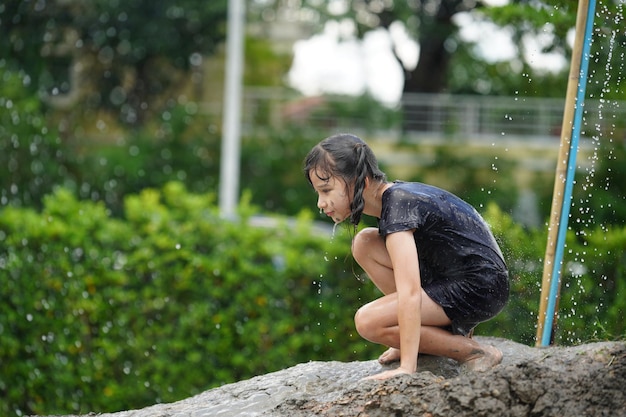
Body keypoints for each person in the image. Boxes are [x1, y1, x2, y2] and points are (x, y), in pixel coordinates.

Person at [303, 133, 509, 381]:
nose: (320, 203)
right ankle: (426, 336)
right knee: (364, 243)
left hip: (480, 286)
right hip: (458, 278)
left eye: (326, 190)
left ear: (361, 182)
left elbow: (410, 292)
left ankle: (474, 353)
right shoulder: (394, 199)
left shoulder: (398, 205)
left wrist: (406, 368)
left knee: (368, 321)